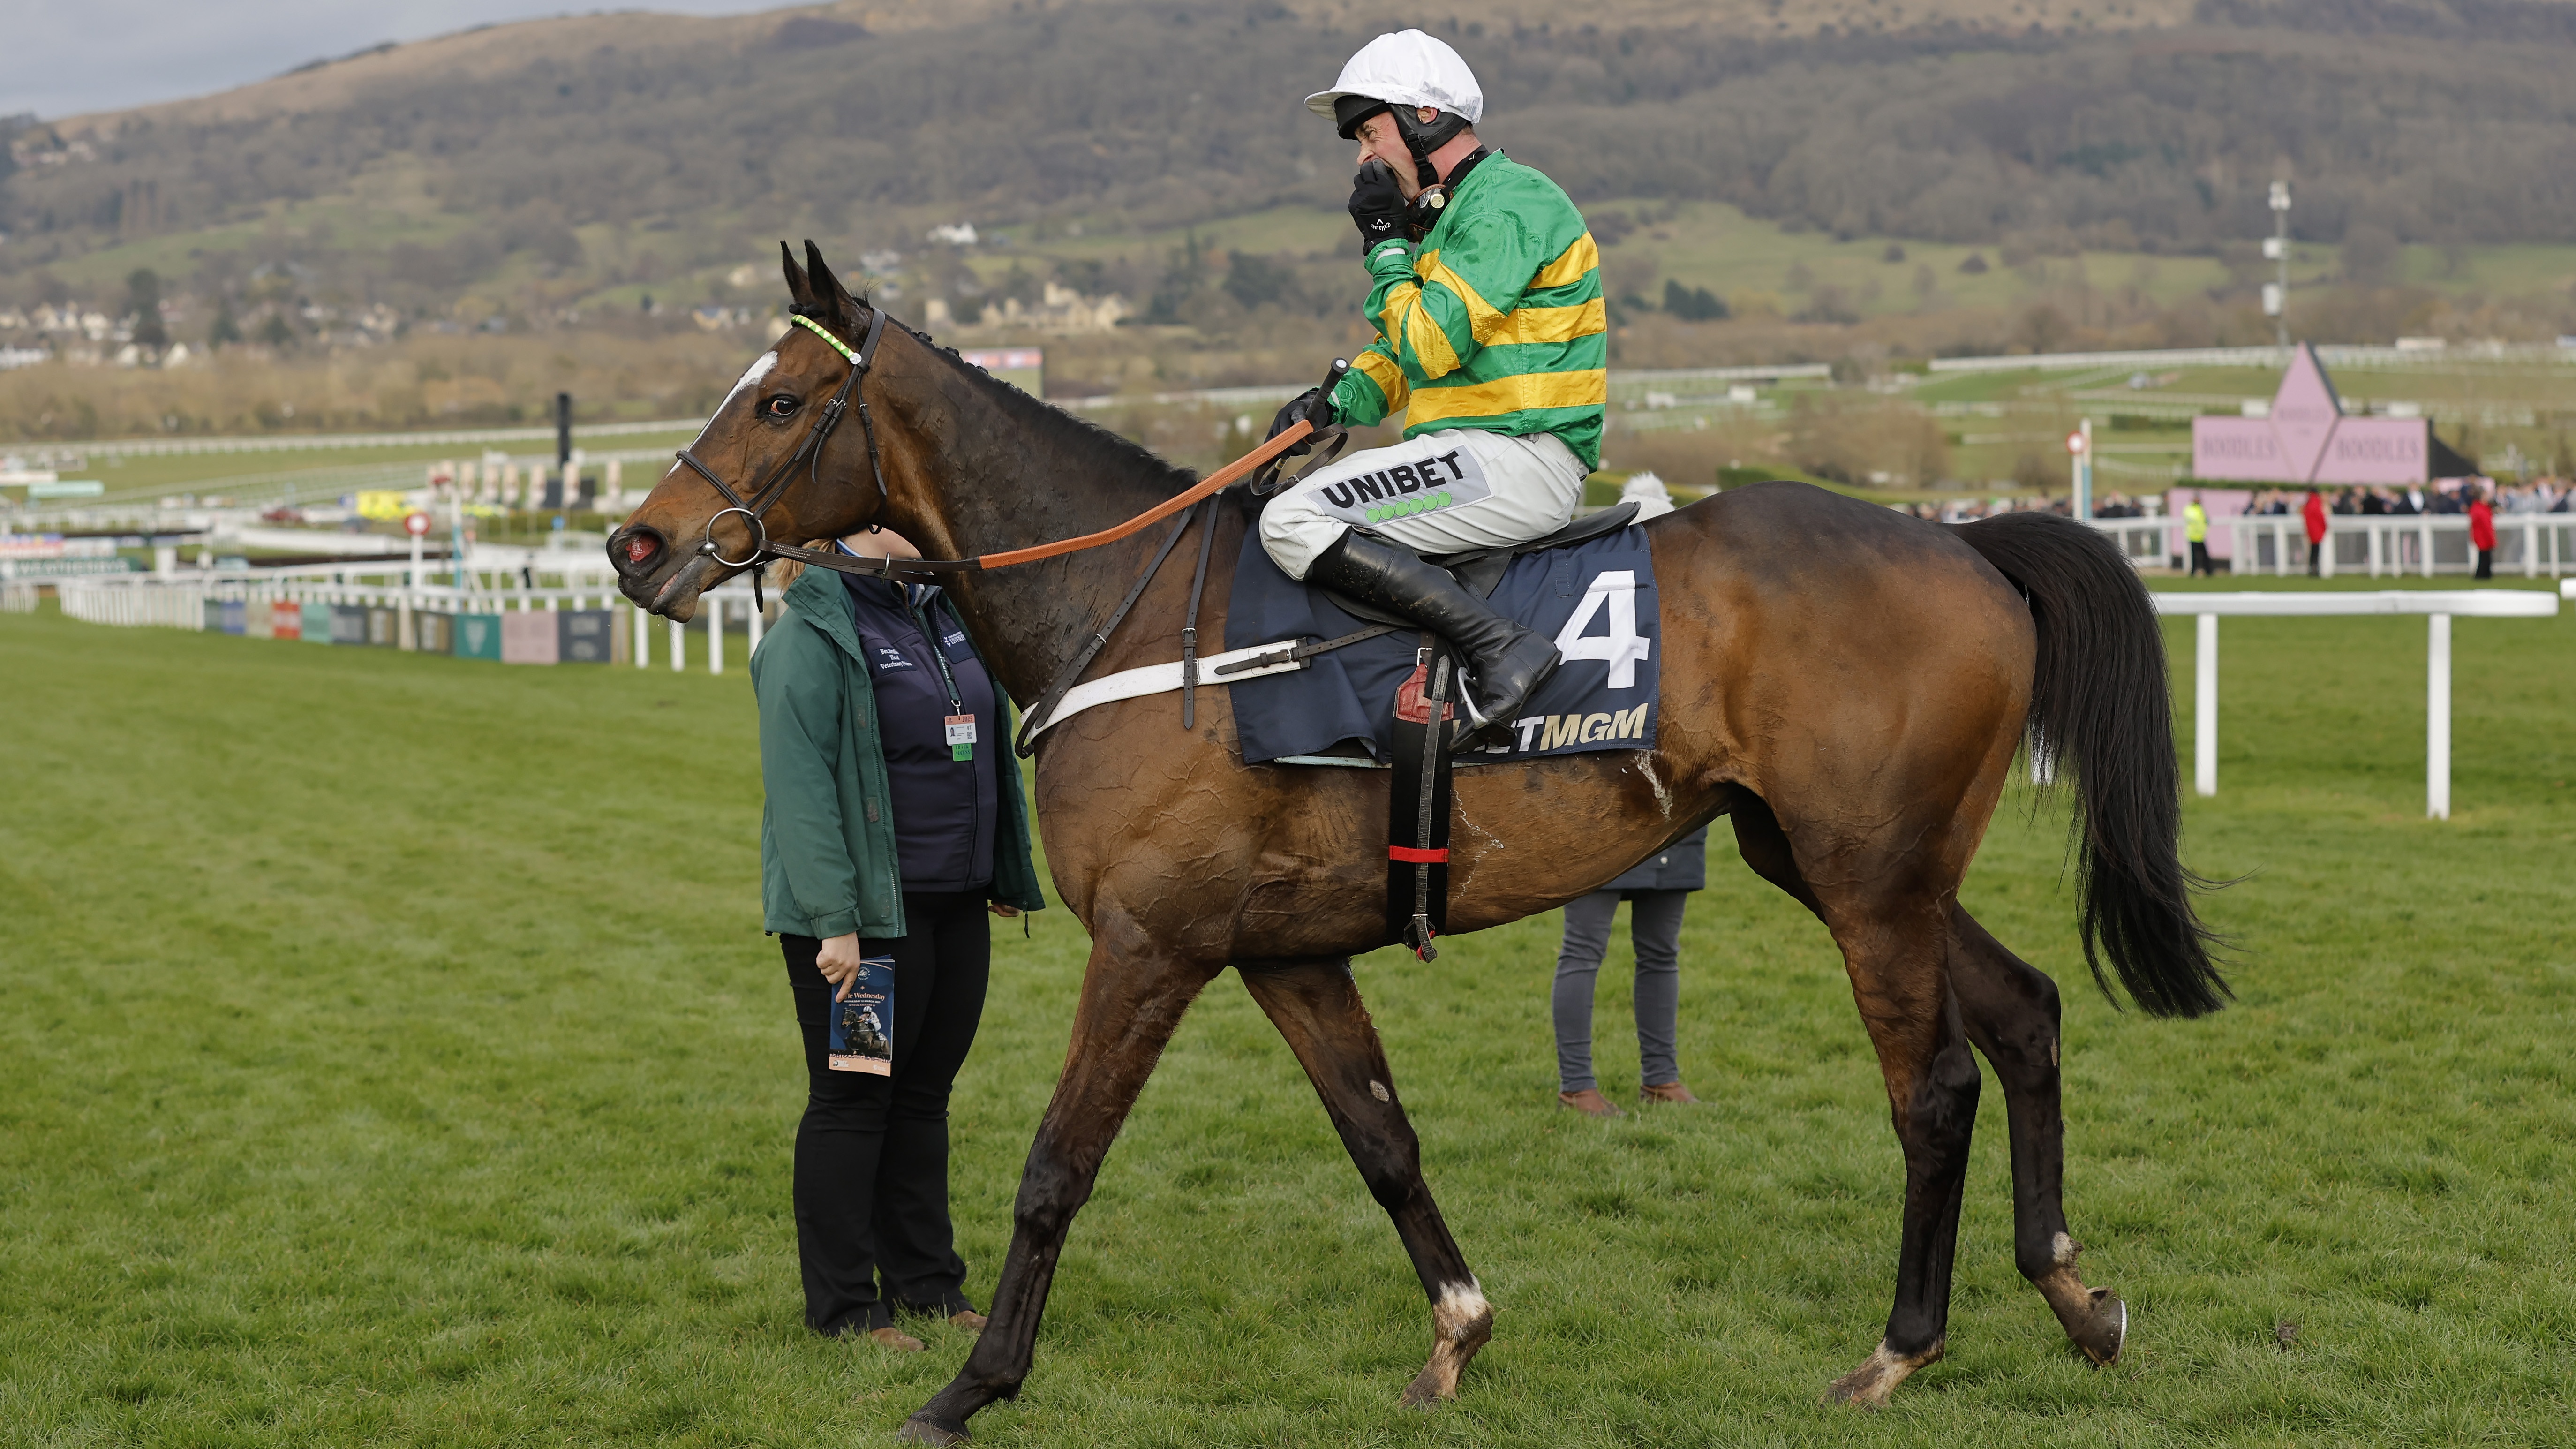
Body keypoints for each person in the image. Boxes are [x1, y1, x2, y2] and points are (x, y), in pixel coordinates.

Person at [1259, 29, 1606, 729]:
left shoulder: (1508, 204)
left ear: (1425, 117)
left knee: (1291, 519)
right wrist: (1333, 404)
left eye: (1369, 133)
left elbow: (1427, 342)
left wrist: (1386, 246)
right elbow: (1401, 351)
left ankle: (1501, 646)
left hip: (1518, 460)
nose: (1363, 158)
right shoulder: (1453, 218)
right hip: (1478, 455)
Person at [753, 526, 1047, 1351]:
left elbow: (978, 740)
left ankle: (925, 1285)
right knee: (854, 1103)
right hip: (864, 926)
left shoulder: (936, 608)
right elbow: (800, 789)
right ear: (843, 531)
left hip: (955, 910)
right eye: (893, 513)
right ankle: (846, 1310)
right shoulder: (807, 637)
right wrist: (835, 923)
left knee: (923, 1098)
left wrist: (991, 870)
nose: (918, 524)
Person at [1552, 828, 1710, 1117]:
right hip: (1600, 820)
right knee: (1583, 952)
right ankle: (1577, 1087)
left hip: (1676, 825)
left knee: (1662, 954)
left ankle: (1661, 1080)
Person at [2468, 481, 2496, 578]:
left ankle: (2484, 574)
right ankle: (2482, 575)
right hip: (2483, 537)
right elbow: (2485, 526)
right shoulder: (2480, 509)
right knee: (2484, 557)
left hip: (2482, 537)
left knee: (2485, 557)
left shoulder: (2480, 508)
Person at [2184, 492, 2213, 576]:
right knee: (2194, 556)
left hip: (2201, 536)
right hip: (2193, 536)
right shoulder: (2190, 508)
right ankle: (2194, 572)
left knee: (2205, 555)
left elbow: (2205, 519)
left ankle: (2208, 571)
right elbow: (2192, 519)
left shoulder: (2200, 508)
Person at [2302, 487, 2327, 576]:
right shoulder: (2316, 502)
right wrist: (2325, 527)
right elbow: (2321, 517)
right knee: (2316, 551)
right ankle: (2315, 570)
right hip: (2317, 530)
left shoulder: (2309, 502)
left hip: (2311, 530)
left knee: (2313, 551)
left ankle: (2312, 569)